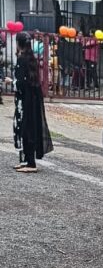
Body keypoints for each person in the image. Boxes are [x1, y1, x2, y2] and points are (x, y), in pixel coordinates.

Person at [4, 31, 53, 173]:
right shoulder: (30, 59)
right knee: (24, 129)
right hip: (30, 100)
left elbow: (21, 83)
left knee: (25, 129)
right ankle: (25, 160)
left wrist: (11, 82)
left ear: (18, 44)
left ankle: (30, 163)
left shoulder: (22, 60)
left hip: (24, 101)